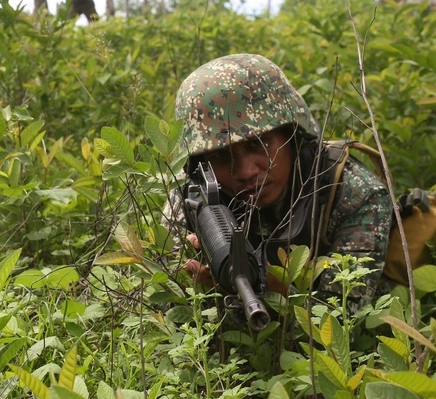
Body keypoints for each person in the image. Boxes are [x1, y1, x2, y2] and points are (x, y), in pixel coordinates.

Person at [164, 53, 393, 314]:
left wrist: (272, 291)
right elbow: (164, 310)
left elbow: (341, 325)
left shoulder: (353, 193)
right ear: (200, 162)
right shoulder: (194, 197)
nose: (246, 171)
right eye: (220, 155)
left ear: (292, 134)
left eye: (258, 144)